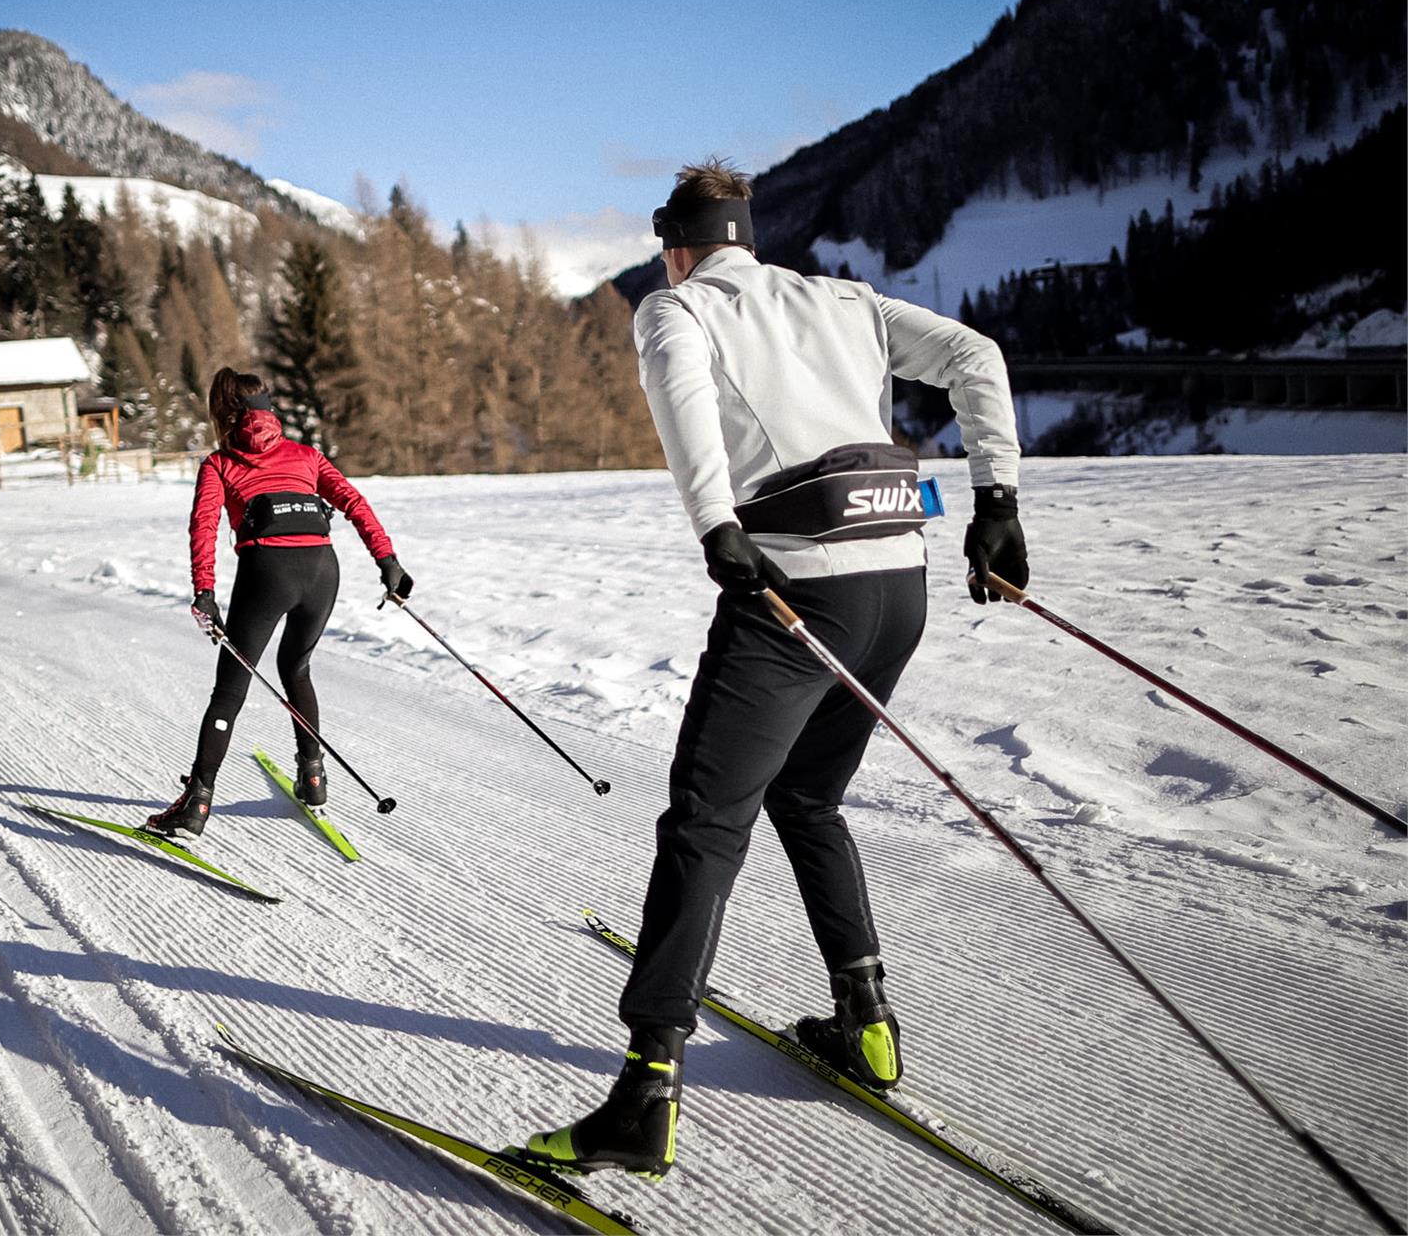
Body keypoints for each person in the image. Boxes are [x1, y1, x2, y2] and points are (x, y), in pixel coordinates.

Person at [520, 160, 1026, 1178]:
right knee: (809, 796)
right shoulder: (845, 299)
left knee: (706, 824)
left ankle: (643, 1093)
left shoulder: (676, 310)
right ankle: (865, 1017)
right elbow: (977, 354)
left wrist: (714, 524)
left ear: (677, 246)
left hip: (796, 593)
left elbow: (682, 405)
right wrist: (998, 499)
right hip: (900, 586)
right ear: (745, 234)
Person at [146, 367, 413, 837]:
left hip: (266, 572)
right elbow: (353, 502)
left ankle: (197, 803)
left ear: (223, 412)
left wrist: (204, 593)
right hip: (322, 570)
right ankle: (312, 777)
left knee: (231, 687)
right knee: (297, 669)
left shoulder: (220, 463)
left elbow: (204, 527)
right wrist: (387, 561)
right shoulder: (307, 455)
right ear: (269, 407)